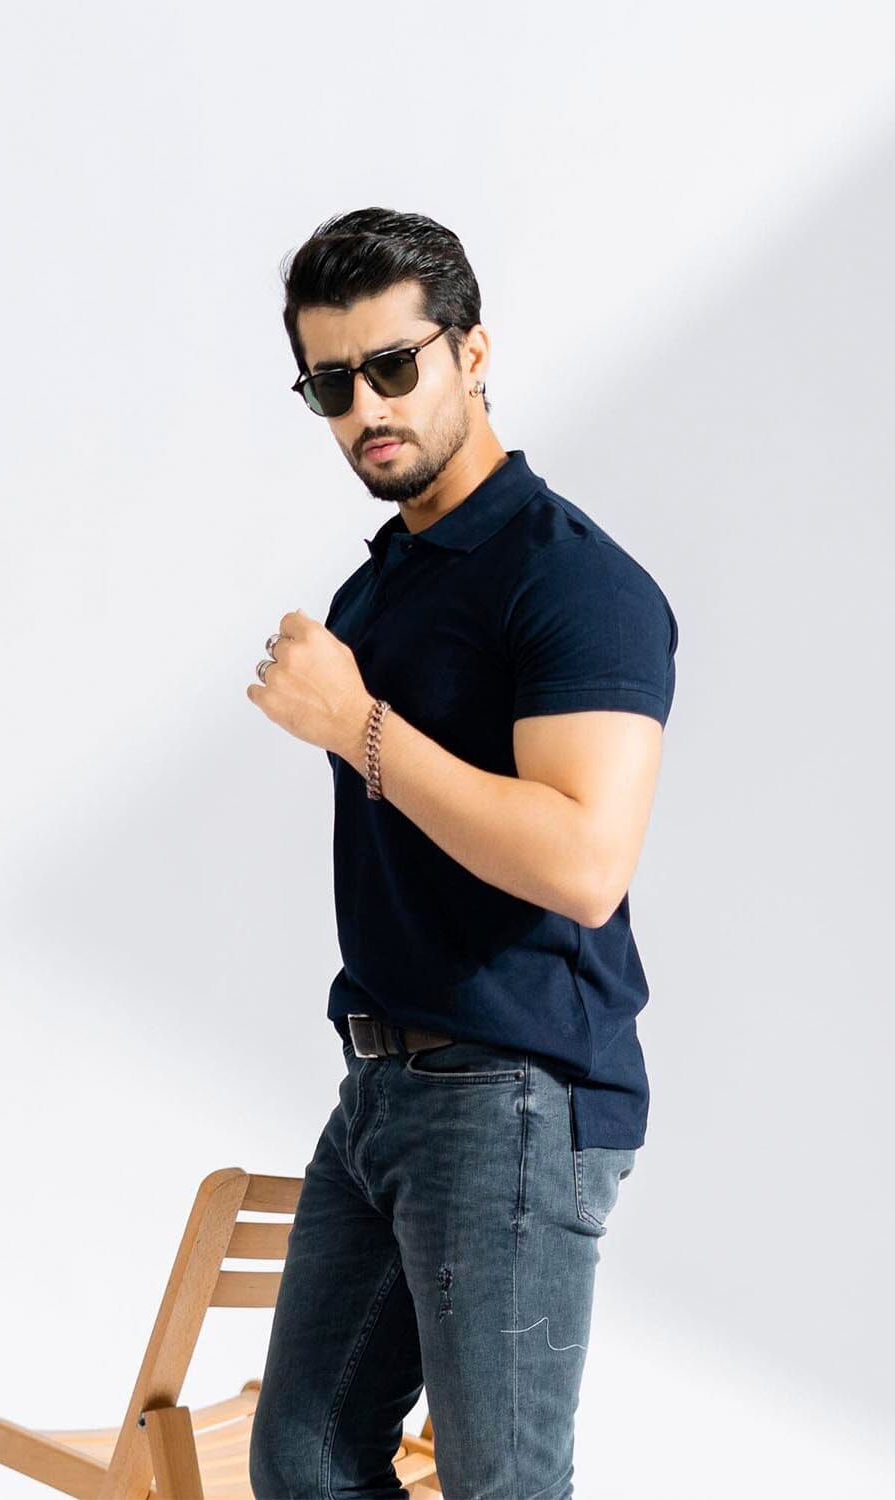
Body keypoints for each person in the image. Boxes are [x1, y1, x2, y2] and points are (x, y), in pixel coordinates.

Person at [246, 207, 678, 1499]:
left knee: (502, 1485)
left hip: (515, 1090)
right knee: (306, 1464)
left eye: (394, 365)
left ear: (472, 351)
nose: (367, 409)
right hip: (380, 1084)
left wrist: (356, 726)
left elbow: (584, 864)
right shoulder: (381, 586)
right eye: (332, 384)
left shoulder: (573, 582)